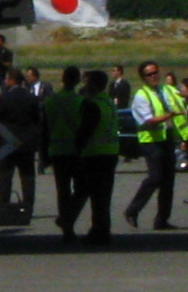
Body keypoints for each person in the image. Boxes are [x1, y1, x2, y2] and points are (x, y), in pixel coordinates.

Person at [123, 60, 181, 230]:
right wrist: (169, 115)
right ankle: (133, 210)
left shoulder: (164, 90)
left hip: (166, 138)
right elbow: (149, 121)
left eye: (155, 72)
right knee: (155, 177)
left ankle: (162, 219)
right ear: (144, 77)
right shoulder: (142, 96)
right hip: (150, 140)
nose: (154, 76)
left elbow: (179, 99)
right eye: (149, 74)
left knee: (168, 180)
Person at [65, 70, 118, 245]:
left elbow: (85, 131)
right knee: (104, 197)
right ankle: (102, 230)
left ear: (93, 85)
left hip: (94, 155)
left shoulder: (92, 105)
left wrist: (76, 150)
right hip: (110, 153)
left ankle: (97, 232)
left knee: (95, 197)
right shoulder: (108, 102)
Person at [42, 66, 84, 240]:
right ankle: (68, 218)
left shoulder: (51, 101)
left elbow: (44, 129)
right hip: (75, 151)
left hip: (57, 150)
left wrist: (44, 154)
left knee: (63, 190)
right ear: (77, 81)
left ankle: (67, 226)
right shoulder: (80, 101)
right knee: (81, 188)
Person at [0, 68, 39, 220]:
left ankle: (3, 205)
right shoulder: (31, 97)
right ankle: (28, 206)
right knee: (27, 177)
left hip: (8, 142)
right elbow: (37, 119)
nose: (5, 81)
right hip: (26, 143)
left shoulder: (5, 97)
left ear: (12, 80)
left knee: (5, 176)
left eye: (7, 79)